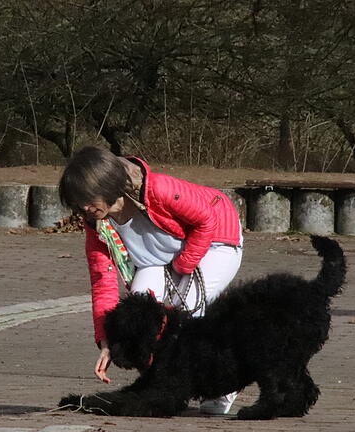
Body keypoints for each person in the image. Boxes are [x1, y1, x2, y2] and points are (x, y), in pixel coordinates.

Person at [58, 146, 244, 415]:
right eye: (78, 202)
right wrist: (107, 340)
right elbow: (102, 283)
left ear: (108, 185)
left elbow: (205, 221)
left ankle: (225, 384)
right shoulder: (96, 226)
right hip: (160, 259)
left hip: (217, 239)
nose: (85, 208)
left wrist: (184, 266)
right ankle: (161, 384)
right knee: (135, 319)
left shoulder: (160, 189)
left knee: (188, 311)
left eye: (88, 199)